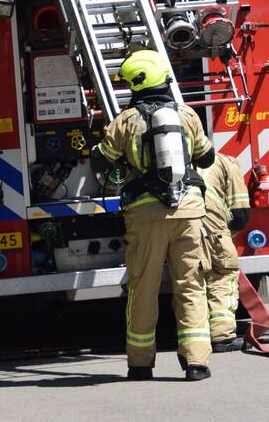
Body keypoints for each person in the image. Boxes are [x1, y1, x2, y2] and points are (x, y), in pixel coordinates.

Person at [90, 49, 216, 381]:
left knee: (143, 288)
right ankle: (197, 363)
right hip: (189, 211)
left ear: (133, 82)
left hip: (146, 216)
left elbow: (100, 163)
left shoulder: (125, 121)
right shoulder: (187, 115)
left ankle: (141, 364)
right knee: (190, 285)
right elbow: (205, 159)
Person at [199, 153, 251, 352]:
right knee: (222, 273)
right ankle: (222, 337)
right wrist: (225, 239)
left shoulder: (180, 161)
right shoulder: (228, 164)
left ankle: (193, 339)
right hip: (210, 224)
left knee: (189, 281)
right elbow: (240, 216)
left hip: (177, 226)